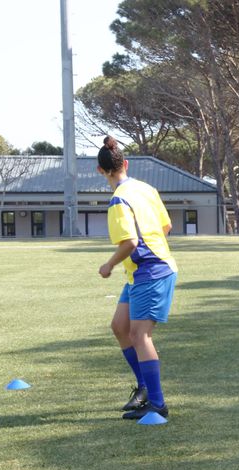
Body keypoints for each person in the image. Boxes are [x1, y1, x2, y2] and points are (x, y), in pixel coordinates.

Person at [96, 136, 178, 420]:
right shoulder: (145, 188)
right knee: (120, 327)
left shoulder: (119, 200)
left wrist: (108, 265)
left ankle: (158, 404)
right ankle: (143, 389)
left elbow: (129, 242)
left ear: (100, 170)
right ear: (125, 164)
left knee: (139, 335)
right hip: (142, 271)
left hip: (151, 271)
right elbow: (167, 225)